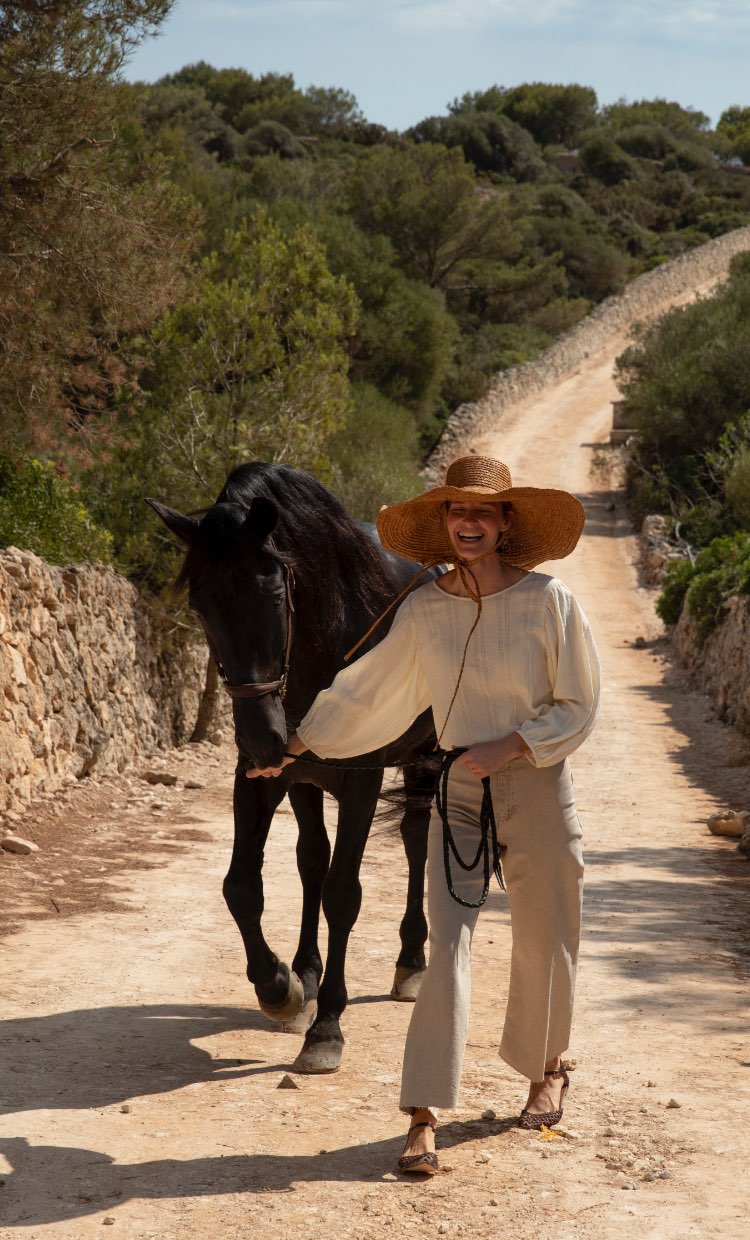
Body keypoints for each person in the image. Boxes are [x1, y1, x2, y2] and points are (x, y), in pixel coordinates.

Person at [248, 455, 600, 1176]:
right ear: (443, 524)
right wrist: (295, 746)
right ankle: (424, 1114)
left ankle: (547, 1067)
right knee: (447, 948)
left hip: (534, 782)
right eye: (455, 511)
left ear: (506, 523)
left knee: (548, 932)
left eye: (483, 512)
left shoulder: (550, 602)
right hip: (459, 791)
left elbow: (580, 704)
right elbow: (368, 689)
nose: (468, 522)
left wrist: (511, 744)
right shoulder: (424, 606)